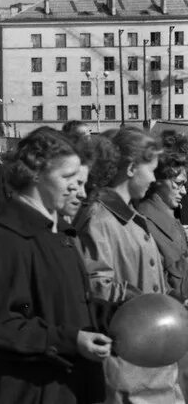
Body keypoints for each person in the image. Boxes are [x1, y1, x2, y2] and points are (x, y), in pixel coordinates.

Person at [0, 127, 112, 404]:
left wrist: (113, 316)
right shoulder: (10, 239)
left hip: (62, 387)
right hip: (30, 392)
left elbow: (68, 305)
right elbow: (2, 326)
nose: (77, 190)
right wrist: (72, 341)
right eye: (68, 178)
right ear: (36, 173)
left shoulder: (56, 234)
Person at [75, 127, 184, 402]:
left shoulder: (131, 216)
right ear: (133, 168)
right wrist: (145, 301)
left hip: (153, 352)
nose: (153, 178)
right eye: (152, 169)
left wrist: (172, 300)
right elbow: (93, 284)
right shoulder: (99, 219)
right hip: (127, 361)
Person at [136, 142, 188, 395]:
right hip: (167, 328)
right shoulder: (147, 220)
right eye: (177, 184)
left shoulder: (169, 217)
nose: (184, 191)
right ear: (158, 182)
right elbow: (161, 282)